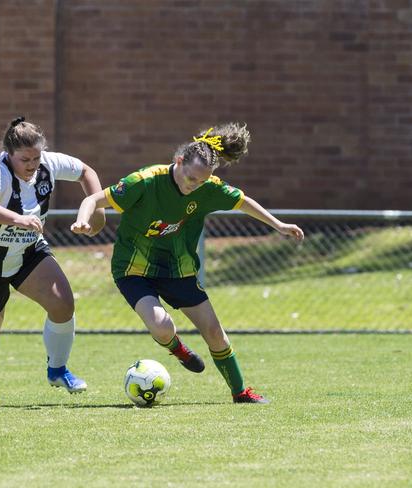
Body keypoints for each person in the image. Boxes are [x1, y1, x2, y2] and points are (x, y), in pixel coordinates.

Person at [71, 123, 304, 404]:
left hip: (177, 270)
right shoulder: (144, 181)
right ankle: (179, 349)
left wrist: (278, 225)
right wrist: (83, 219)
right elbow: (95, 198)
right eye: (191, 178)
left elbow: (243, 201)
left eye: (201, 182)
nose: (194, 185)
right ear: (178, 161)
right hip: (133, 269)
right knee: (161, 326)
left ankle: (241, 392)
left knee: (215, 333)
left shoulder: (208, 188)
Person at [0, 116, 105, 406]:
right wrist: (18, 219)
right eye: (24, 159)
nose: (32, 164)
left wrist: (96, 209)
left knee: (63, 303)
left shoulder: (48, 164)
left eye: (36, 157)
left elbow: (86, 171)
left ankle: (58, 370)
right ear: (8, 154)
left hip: (26, 252)